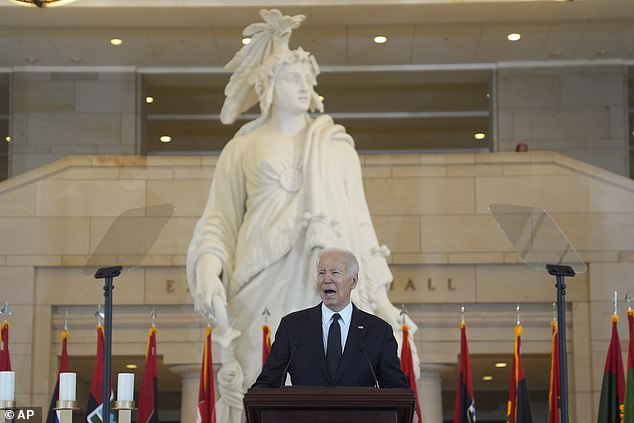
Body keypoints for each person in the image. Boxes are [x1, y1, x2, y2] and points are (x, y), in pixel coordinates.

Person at [186, 9, 418, 422]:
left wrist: (381, 298)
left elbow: (360, 225)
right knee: (258, 381)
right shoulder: (242, 148)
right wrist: (207, 269)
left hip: (320, 272)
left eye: (308, 78)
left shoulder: (334, 145)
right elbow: (218, 220)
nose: (304, 85)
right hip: (259, 283)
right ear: (269, 85)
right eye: (293, 77)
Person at [252, 248, 409, 388]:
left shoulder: (378, 331)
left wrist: (408, 411)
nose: (326, 279)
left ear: (353, 281)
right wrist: (251, 405)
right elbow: (268, 382)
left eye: (335, 273)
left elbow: (395, 388)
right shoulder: (292, 327)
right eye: (321, 273)